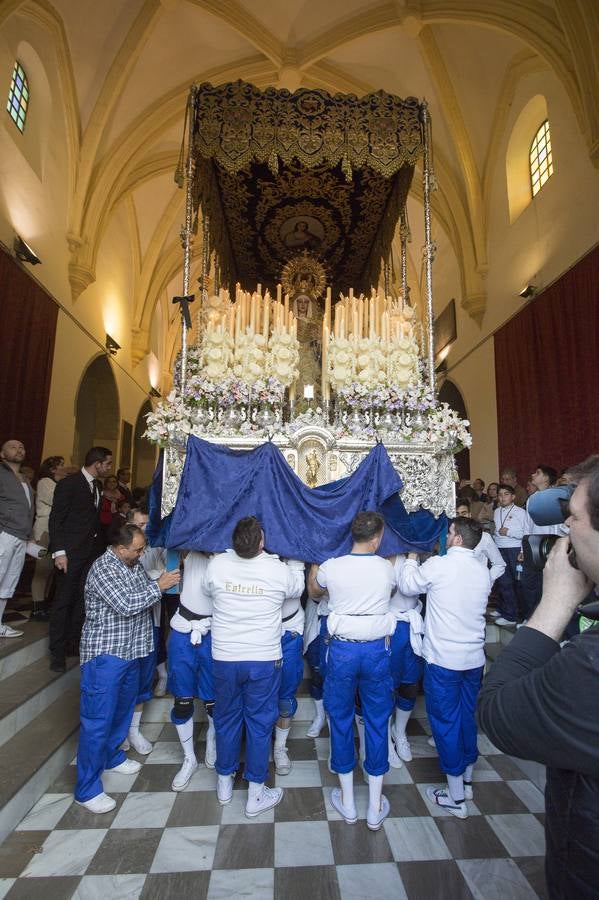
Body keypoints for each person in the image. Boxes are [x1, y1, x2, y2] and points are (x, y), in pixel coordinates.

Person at [478, 454, 599, 898]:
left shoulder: (590, 666)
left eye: (574, 519)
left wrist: (555, 603)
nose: (567, 531)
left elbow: (498, 712)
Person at [74, 524, 179, 813]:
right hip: (106, 655)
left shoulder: (130, 564)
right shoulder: (104, 569)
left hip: (131, 651)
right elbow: (127, 604)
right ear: (120, 549)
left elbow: (143, 589)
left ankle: (112, 757)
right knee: (96, 721)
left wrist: (154, 584)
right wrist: (160, 585)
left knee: (122, 711)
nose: (141, 553)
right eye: (137, 549)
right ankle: (87, 789)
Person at [206, 517, 305, 815]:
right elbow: (296, 587)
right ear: (262, 542)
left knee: (226, 719)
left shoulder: (217, 565)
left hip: (225, 656)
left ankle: (224, 784)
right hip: (263, 658)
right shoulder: (277, 570)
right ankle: (255, 795)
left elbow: (208, 588)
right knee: (260, 724)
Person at [399, 517, 491, 819]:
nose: (447, 536)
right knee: (466, 717)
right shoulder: (481, 569)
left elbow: (408, 584)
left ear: (458, 540)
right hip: (474, 659)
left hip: (444, 660)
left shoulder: (441, 565)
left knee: (445, 723)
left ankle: (454, 797)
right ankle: (465, 781)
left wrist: (412, 557)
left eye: (449, 532)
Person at [308, 511, 396, 831]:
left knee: (340, 718)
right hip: (375, 649)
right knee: (376, 720)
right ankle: (374, 807)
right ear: (376, 538)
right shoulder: (386, 568)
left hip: (342, 648)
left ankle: (347, 802)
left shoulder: (333, 566)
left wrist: (316, 562)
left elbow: (316, 592)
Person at [49, 447, 112, 671]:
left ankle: (72, 644)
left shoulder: (97, 485)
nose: (109, 468)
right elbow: (56, 519)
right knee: (63, 601)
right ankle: (56, 653)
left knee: (81, 600)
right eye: (108, 464)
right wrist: (59, 552)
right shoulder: (70, 484)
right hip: (69, 553)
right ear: (97, 464)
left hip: (89, 552)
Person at [168, 550, 216, 792]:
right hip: (183, 629)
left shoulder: (230, 555)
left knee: (214, 701)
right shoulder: (191, 550)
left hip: (215, 630)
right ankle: (189, 758)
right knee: (182, 701)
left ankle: (212, 738)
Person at [122, 507, 165, 756]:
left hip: (150, 622)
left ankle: (134, 730)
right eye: (140, 524)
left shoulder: (153, 550)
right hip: (125, 631)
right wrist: (156, 580)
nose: (145, 529)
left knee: (141, 680)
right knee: (125, 681)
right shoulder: (121, 558)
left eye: (147, 524)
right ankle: (121, 730)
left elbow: (164, 572)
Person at [388, 554, 424, 763]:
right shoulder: (387, 557)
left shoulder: (420, 557)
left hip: (412, 623)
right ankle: (384, 741)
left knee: (410, 685)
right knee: (388, 687)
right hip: (392, 625)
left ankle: (399, 732)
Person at [0, 439, 34, 638]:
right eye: (13, 447)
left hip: (21, 536)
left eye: (22, 446)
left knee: (8, 582)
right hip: (5, 533)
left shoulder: (23, 478)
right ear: (3, 455)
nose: (19, 449)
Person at [273, 563, 305, 775]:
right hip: (258, 629)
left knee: (285, 696)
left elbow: (296, 588)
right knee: (255, 691)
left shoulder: (293, 548)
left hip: (290, 629)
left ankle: (279, 748)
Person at [520, 465, 560, 625]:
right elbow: (526, 525)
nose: (532, 474)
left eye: (537, 473)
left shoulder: (556, 496)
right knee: (530, 584)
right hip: (534, 544)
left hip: (552, 543)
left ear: (546, 478)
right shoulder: (532, 499)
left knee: (550, 585)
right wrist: (524, 548)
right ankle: (532, 619)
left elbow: (559, 524)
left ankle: (553, 624)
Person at [30, 456, 65, 621]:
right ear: (52, 469)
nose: (64, 468)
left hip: (54, 531)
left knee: (50, 569)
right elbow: (55, 500)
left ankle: (44, 603)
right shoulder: (45, 481)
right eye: (61, 466)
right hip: (44, 530)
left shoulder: (57, 484)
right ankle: (37, 606)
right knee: (42, 569)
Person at [492, 483, 528, 626]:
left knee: (519, 583)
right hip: (500, 549)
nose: (502, 497)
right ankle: (507, 612)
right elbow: (497, 530)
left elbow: (526, 533)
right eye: (500, 494)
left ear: (513, 496)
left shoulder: (521, 512)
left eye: (506, 494)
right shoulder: (496, 511)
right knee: (503, 581)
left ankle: (524, 614)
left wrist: (509, 533)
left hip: (515, 550)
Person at [455, 497, 506, 585]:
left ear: (469, 514)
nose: (461, 517)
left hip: (476, 586)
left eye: (464, 513)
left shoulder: (484, 537)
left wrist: (487, 581)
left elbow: (499, 564)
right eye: (457, 514)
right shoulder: (448, 537)